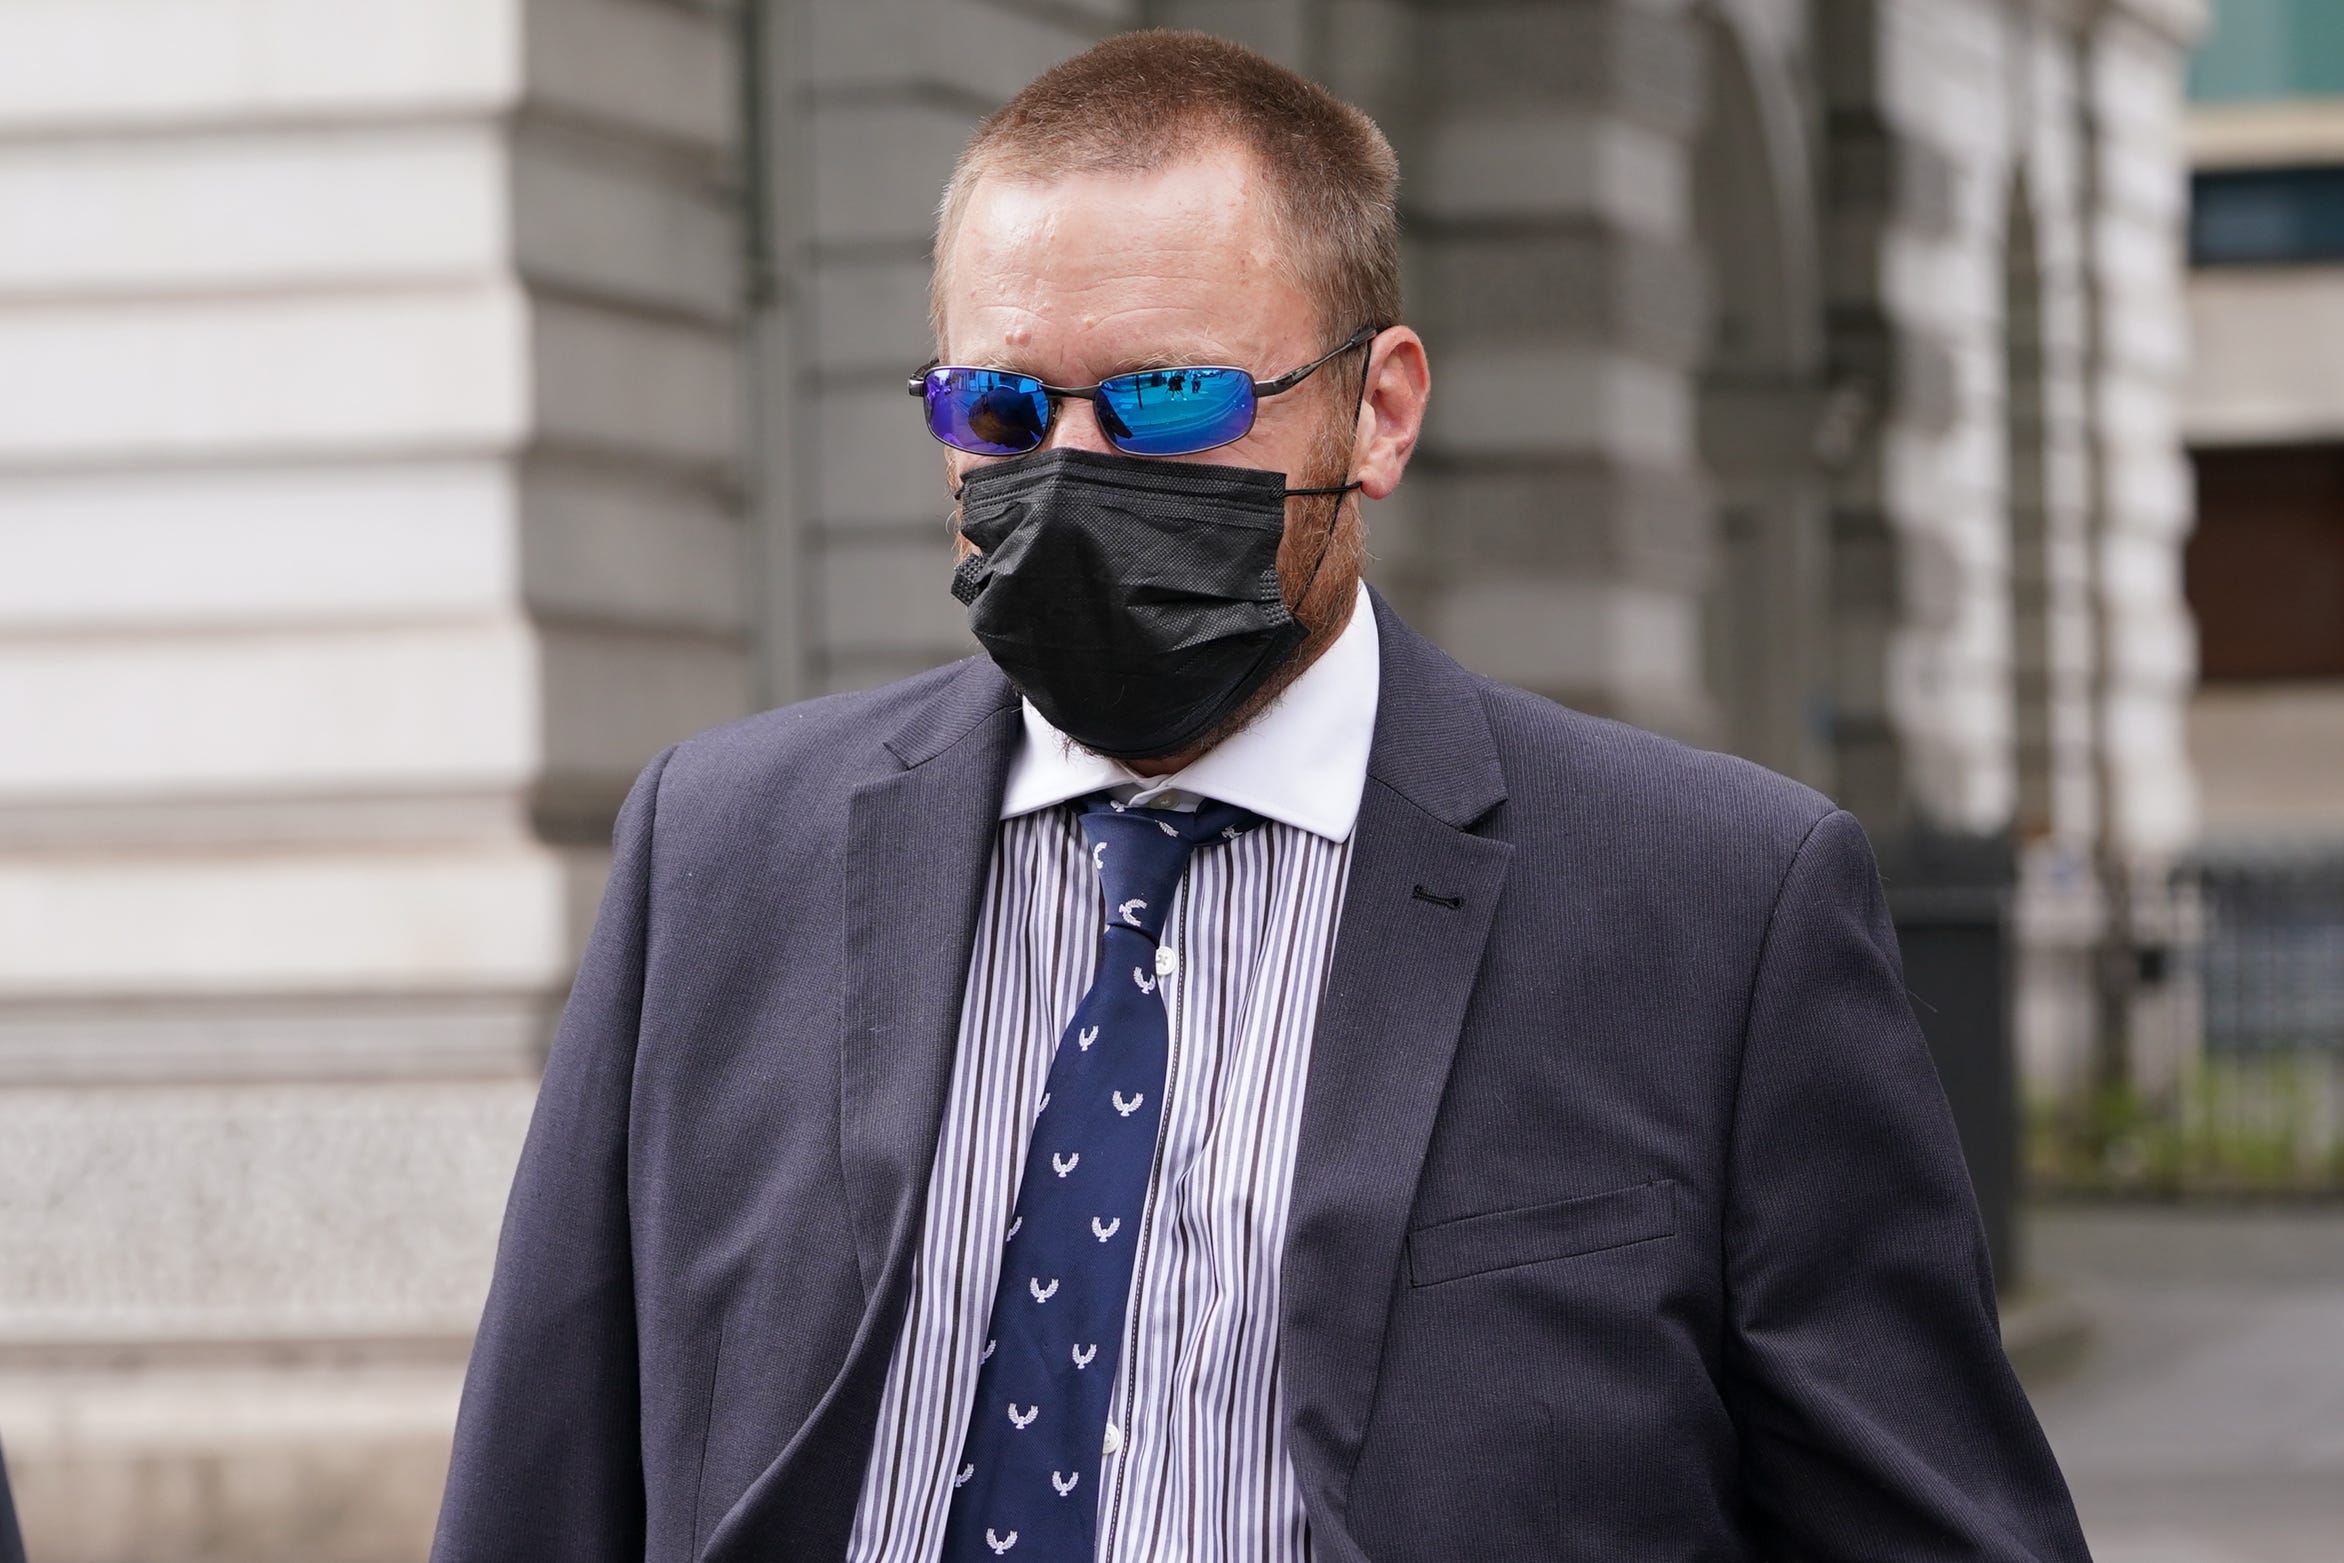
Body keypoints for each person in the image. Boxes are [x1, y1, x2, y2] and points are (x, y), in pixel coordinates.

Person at [431, 31, 2089, 1563]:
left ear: (1379, 409)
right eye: (1003, 408)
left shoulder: (1720, 906)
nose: (1075, 474)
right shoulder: (721, 850)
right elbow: (542, 1484)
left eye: (1170, 400)